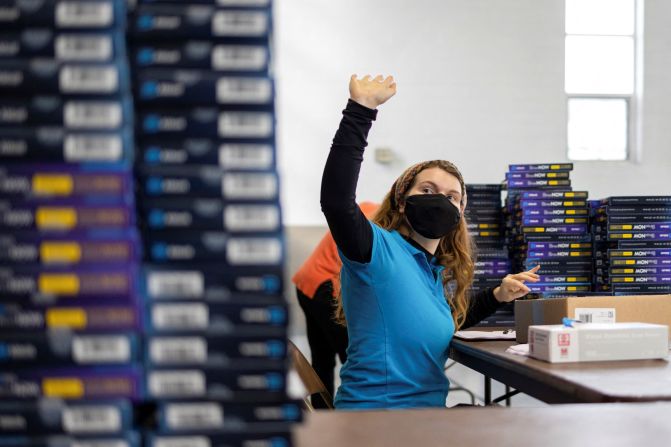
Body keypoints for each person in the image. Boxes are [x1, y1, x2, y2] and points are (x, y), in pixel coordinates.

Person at [321, 74, 540, 410]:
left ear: (461, 211)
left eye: (452, 196)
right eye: (427, 190)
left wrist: (498, 294)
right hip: (376, 419)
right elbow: (337, 201)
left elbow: (444, 322)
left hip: (424, 418)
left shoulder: (430, 271)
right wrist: (360, 111)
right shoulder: (375, 250)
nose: (440, 200)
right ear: (401, 200)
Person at [292, 202, 378, 408]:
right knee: (354, 359)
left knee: (322, 359)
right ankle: (355, 415)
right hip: (325, 285)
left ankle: (323, 420)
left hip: (305, 282)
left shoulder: (367, 207)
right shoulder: (381, 222)